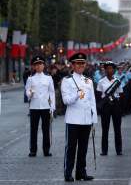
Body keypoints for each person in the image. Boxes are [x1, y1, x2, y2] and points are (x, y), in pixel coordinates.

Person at [61, 52, 98, 182]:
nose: (81, 65)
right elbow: (65, 100)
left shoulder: (89, 81)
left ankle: (81, 172)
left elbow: (92, 100)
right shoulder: (67, 81)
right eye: (78, 63)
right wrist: (77, 95)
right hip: (73, 119)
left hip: (86, 119)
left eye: (82, 63)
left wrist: (94, 119)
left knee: (83, 148)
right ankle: (68, 173)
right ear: (73, 65)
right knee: (71, 148)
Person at [25, 56, 55, 157]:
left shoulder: (48, 78)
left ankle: (46, 150)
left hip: (45, 106)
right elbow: (27, 91)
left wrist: (52, 107)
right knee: (33, 129)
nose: (38, 66)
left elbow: (52, 93)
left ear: (43, 65)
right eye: (36, 65)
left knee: (46, 129)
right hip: (34, 107)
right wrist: (30, 94)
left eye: (40, 64)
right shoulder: (30, 79)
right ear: (34, 67)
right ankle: (33, 150)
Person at [96, 61, 124, 156]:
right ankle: (104, 150)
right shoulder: (101, 81)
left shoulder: (117, 81)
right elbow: (99, 95)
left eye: (111, 68)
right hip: (105, 105)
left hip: (115, 104)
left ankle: (119, 149)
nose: (109, 70)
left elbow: (120, 94)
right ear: (105, 70)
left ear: (114, 70)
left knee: (117, 128)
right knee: (105, 129)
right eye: (107, 68)